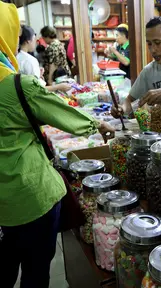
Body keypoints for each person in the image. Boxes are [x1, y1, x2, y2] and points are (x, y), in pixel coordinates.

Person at [0, 3, 115, 287]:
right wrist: (99, 124)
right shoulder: (16, 85)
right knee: (36, 271)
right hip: (29, 193)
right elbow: (63, 114)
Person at [17, 25, 71, 92]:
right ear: (28, 41)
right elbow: (37, 87)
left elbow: (53, 64)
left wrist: (49, 78)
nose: (36, 41)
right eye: (34, 38)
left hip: (56, 75)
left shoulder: (16, 57)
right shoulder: (58, 43)